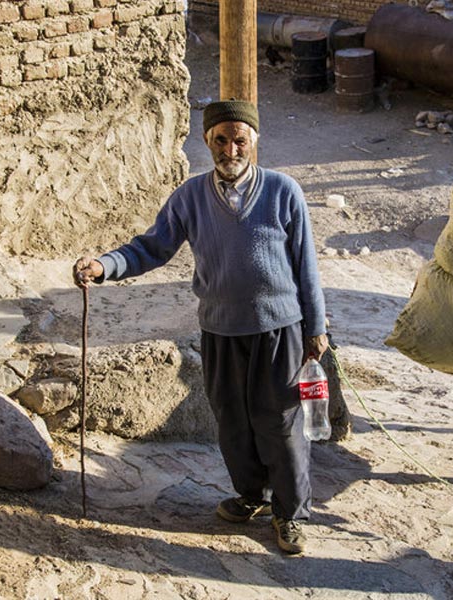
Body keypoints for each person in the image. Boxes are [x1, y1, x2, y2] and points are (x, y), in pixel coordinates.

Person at [73, 100, 329, 555]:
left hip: (280, 330)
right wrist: (104, 265)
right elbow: (150, 247)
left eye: (240, 140)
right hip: (220, 329)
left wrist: (315, 328)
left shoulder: (283, 191)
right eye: (221, 140)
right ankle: (252, 495)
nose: (231, 148)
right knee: (232, 420)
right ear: (207, 141)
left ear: (254, 142)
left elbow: (305, 265)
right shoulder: (189, 197)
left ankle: (290, 514)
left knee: (281, 422)